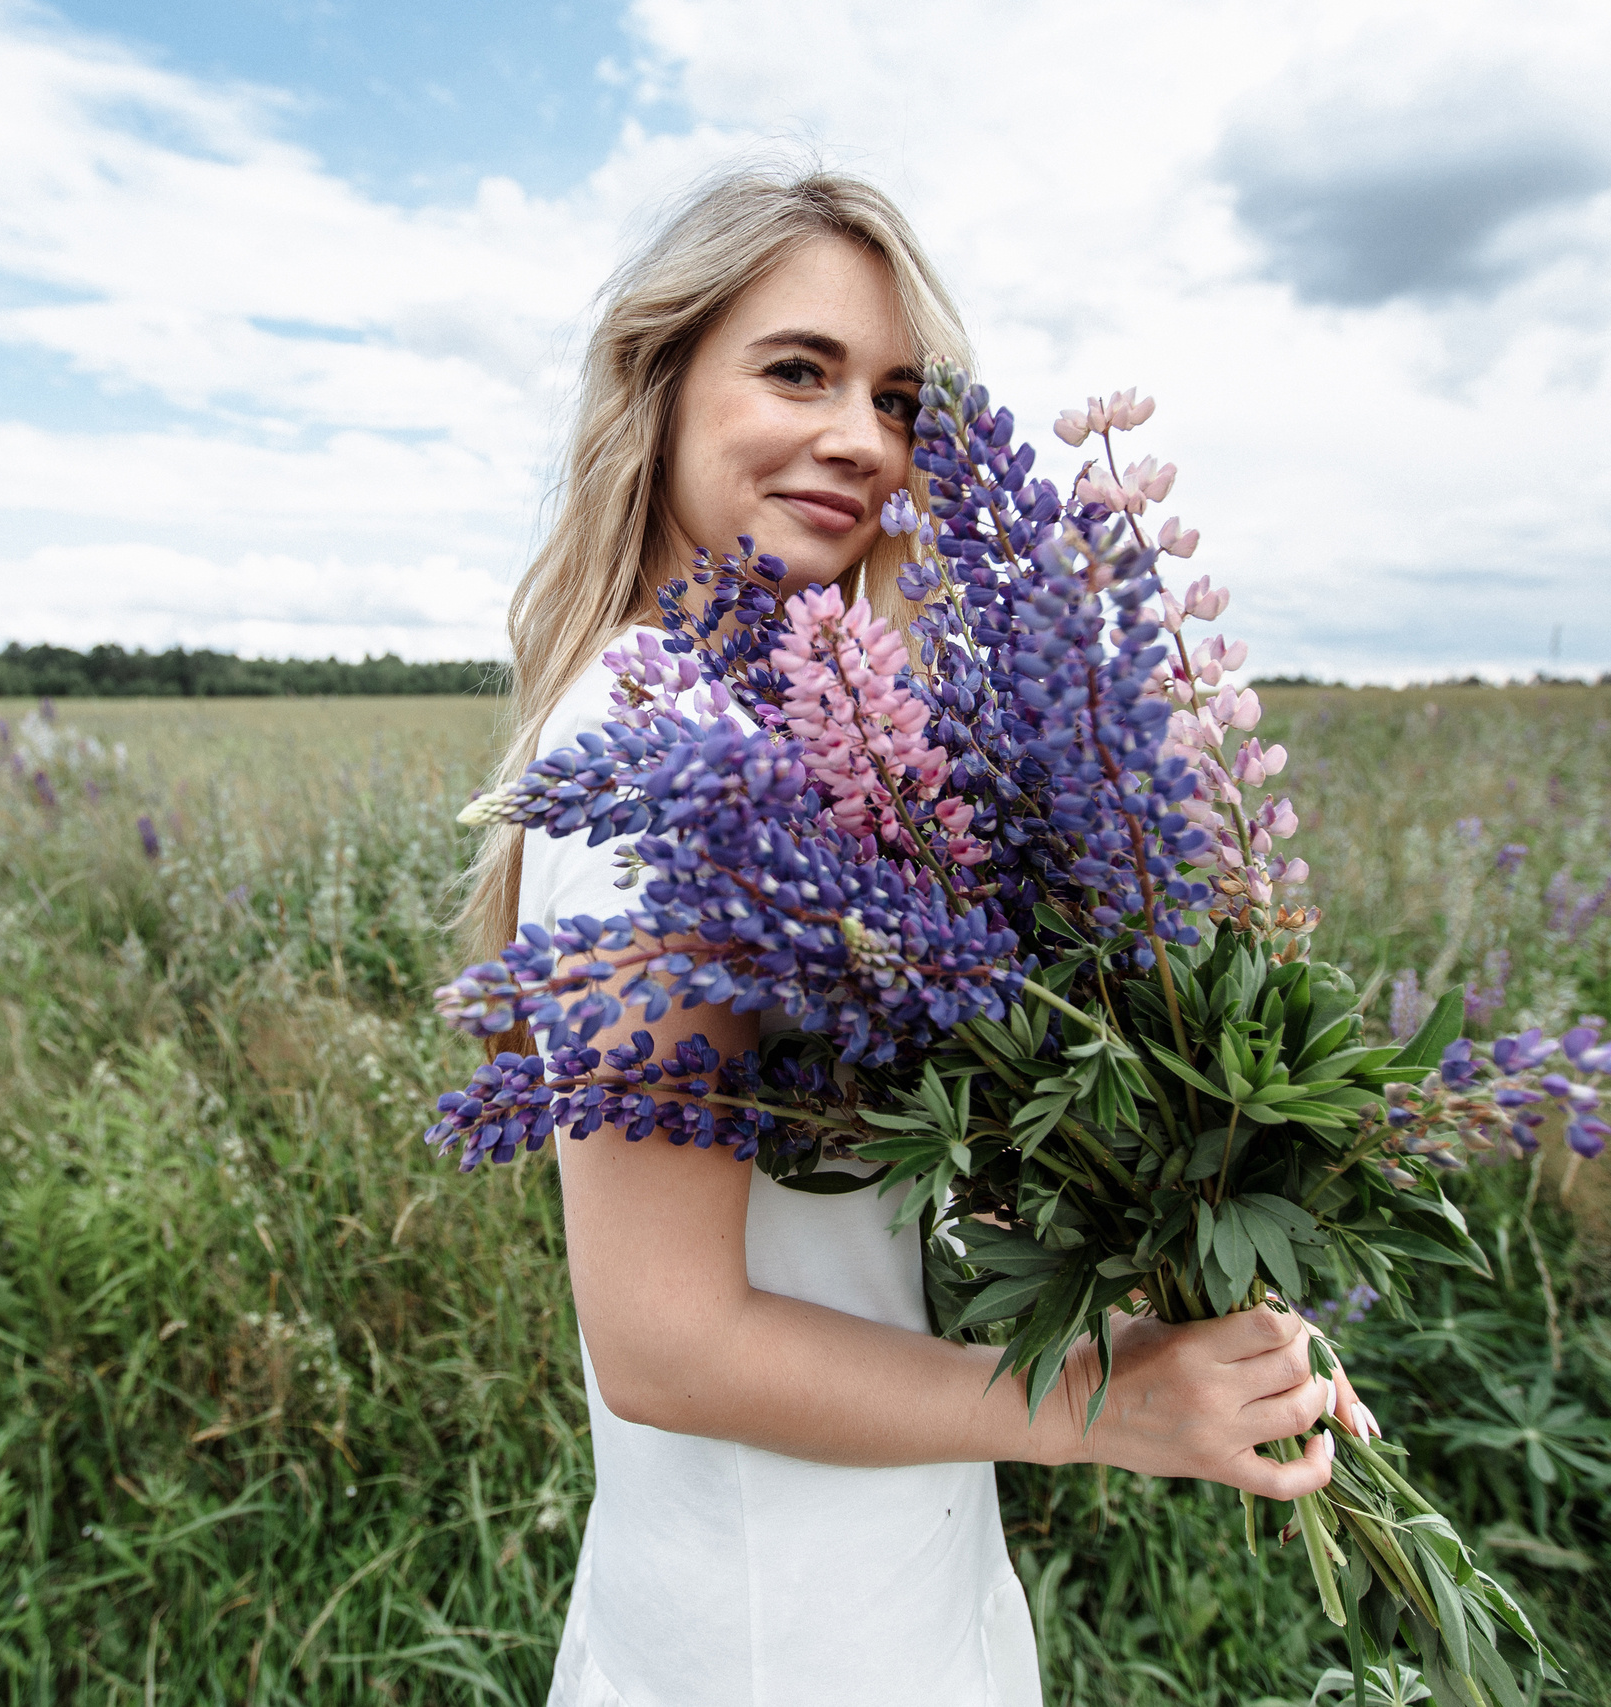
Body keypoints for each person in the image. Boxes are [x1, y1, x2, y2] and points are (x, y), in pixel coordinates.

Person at [452, 166, 1371, 1707]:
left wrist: (1165, 1235)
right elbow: (668, 1345)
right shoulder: (663, 744)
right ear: (660, 384)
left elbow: (885, 1186)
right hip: (779, 1631)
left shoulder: (793, 728)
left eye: (895, 397)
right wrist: (1103, 1405)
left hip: (883, 1557)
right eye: (797, 369)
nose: (863, 441)